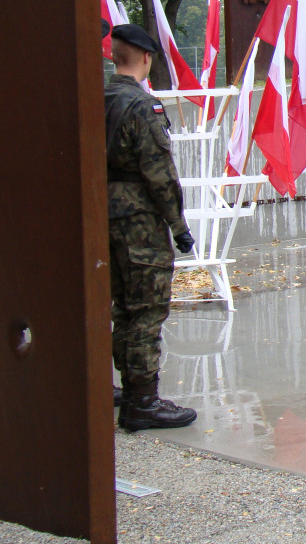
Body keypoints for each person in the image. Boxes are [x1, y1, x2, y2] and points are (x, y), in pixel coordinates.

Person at [106, 23, 197, 430]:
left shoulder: (95, 96)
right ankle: (142, 402)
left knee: (123, 307)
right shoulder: (141, 106)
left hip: (102, 216)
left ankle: (129, 387)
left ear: (113, 56)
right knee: (146, 309)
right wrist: (178, 226)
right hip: (139, 220)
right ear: (146, 58)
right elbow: (158, 173)